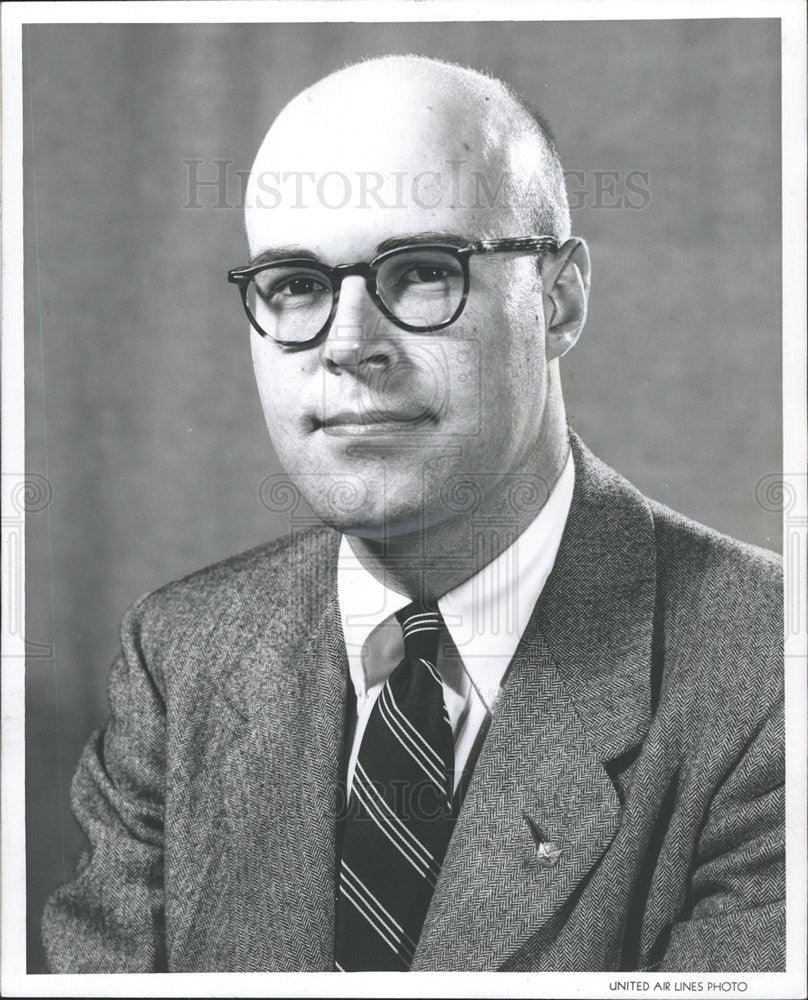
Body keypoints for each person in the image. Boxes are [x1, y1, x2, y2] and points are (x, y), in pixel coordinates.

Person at [42, 55, 784, 974]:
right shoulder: (181, 656)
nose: (350, 346)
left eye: (424, 272)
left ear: (558, 301)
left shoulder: (770, 672)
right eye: (297, 285)